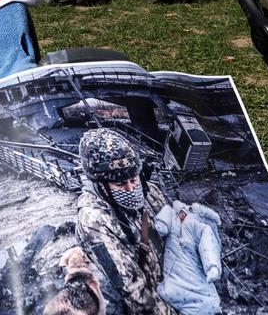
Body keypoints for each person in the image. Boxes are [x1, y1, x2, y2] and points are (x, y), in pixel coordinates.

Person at [74, 128, 170, 315]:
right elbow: (133, 291)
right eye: (119, 184)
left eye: (133, 180)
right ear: (101, 184)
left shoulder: (151, 192)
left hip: (172, 286)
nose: (130, 188)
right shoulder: (94, 222)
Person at [153, 200, 222, 315]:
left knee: (204, 296)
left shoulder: (197, 225)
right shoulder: (174, 214)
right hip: (177, 271)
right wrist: (162, 224)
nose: (182, 215)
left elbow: (208, 245)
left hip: (189, 268)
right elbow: (165, 217)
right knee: (204, 298)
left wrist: (212, 266)